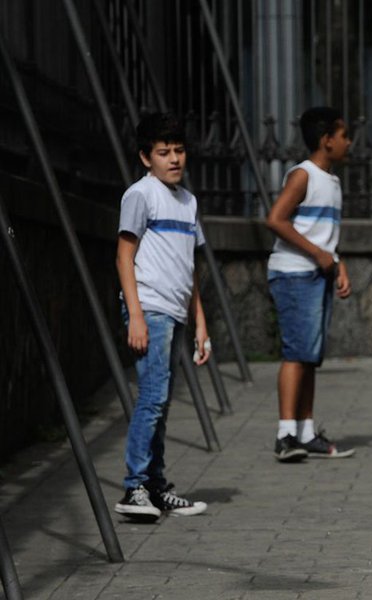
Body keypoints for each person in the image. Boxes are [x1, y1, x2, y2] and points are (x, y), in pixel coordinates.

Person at [114, 112, 210, 521]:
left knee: (162, 402)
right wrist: (135, 314)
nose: (174, 159)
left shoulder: (188, 202)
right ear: (145, 157)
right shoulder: (140, 195)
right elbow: (124, 256)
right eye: (163, 152)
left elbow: (190, 267)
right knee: (152, 398)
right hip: (150, 308)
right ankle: (134, 487)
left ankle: (154, 485)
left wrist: (200, 322)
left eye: (179, 151)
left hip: (175, 310)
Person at [266, 107, 354, 462]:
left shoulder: (332, 181)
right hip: (294, 273)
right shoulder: (303, 175)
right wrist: (318, 254)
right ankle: (286, 434)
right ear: (326, 140)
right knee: (296, 353)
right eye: (344, 135)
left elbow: (324, 235)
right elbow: (276, 219)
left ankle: (305, 431)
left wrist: (337, 264)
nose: (349, 142)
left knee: (310, 355)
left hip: (318, 273)